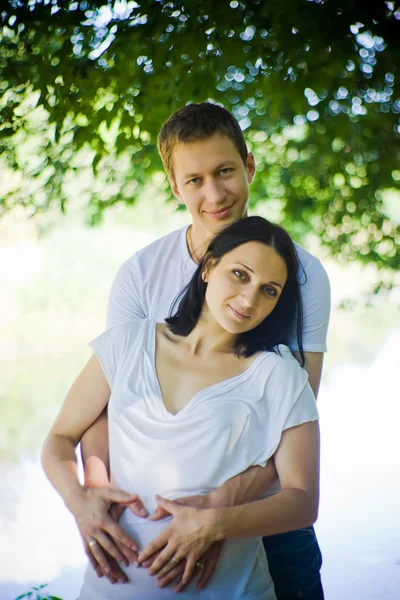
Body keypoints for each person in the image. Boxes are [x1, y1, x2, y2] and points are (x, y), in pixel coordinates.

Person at [79, 102, 331, 598]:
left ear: (249, 166)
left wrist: (219, 512)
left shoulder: (299, 273)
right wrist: (95, 492)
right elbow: (105, 403)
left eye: (225, 172)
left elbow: (296, 411)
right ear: (174, 186)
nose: (214, 194)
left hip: (267, 508)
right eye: (194, 180)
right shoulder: (139, 273)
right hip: (148, 518)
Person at [41, 216, 320, 600]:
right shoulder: (128, 342)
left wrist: (214, 525)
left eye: (268, 290)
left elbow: (303, 501)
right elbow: (60, 437)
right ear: (208, 267)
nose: (249, 299)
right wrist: (80, 500)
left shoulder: (280, 376)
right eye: (240, 274)